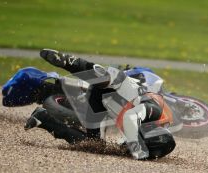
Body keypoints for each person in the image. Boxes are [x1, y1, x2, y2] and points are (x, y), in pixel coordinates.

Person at [25, 49, 175, 160]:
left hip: (103, 104)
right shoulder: (155, 112)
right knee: (108, 79)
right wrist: (139, 152)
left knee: (93, 145)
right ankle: (73, 63)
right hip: (115, 88)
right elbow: (130, 118)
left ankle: (43, 119)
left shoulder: (147, 128)